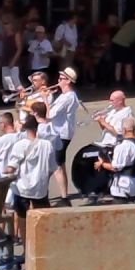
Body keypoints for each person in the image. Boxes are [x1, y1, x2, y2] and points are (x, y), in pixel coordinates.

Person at [4, 114, 54, 237]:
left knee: (23, 218)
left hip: (22, 188)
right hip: (40, 188)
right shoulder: (47, 145)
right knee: (42, 217)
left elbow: (11, 167)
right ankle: (42, 242)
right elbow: (52, 168)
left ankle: (26, 246)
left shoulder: (19, 145)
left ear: (25, 128)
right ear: (37, 128)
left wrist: (3, 170)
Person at [46, 67, 81, 202]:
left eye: (61, 79)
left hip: (61, 134)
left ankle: (64, 198)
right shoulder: (63, 95)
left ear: (68, 81)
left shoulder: (68, 97)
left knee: (57, 166)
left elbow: (50, 115)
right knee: (56, 165)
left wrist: (44, 99)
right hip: (58, 133)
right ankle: (52, 193)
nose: (58, 80)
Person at [96, 117, 135, 203]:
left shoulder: (122, 146)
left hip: (123, 186)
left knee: (120, 207)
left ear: (124, 130)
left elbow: (115, 167)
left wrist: (102, 163)